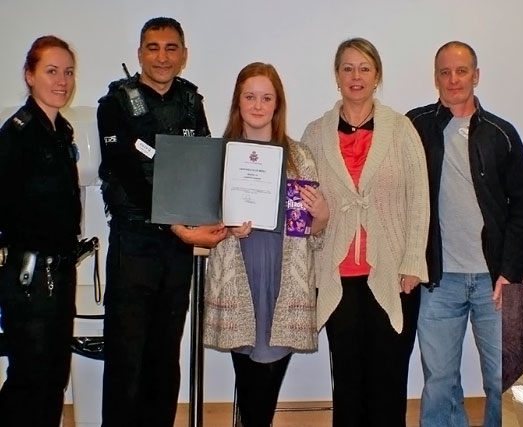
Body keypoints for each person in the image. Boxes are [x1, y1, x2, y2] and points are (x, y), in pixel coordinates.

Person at [177, 62, 328, 427]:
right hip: (239, 283)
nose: (258, 106)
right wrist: (225, 229)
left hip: (282, 284)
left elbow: (312, 233)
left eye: (266, 98)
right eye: (250, 97)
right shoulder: (218, 157)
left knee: (265, 388)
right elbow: (198, 221)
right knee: (250, 387)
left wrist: (321, 215)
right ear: (237, 102)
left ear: (277, 104)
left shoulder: (300, 156)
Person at [96, 17, 220, 427]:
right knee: (127, 360)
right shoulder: (115, 104)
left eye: (171, 48)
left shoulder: (190, 101)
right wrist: (177, 225)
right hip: (134, 244)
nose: (162, 56)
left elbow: (203, 166)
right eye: (153, 47)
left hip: (176, 249)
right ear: (139, 53)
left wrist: (212, 217)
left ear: (183, 55)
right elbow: (126, 173)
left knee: (166, 358)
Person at [301, 37, 429, 427]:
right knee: (348, 382)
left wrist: (412, 263)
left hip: (393, 275)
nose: (356, 76)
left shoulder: (401, 129)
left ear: (377, 77)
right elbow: (303, 207)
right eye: (347, 68)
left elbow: (419, 199)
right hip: (338, 277)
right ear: (336, 76)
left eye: (364, 68)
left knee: (389, 379)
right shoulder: (315, 134)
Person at [406, 41, 523, 427]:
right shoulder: (416, 127)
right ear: (435, 78)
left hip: (492, 282)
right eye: (444, 72)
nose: (453, 79)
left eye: (461, 71)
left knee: (501, 381)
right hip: (437, 281)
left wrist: (510, 270)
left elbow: (522, 208)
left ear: (476, 76)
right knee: (439, 383)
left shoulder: (502, 134)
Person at [0, 35, 81, 427]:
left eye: (68, 72)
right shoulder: (17, 134)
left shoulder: (61, 131)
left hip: (60, 274)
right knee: (28, 383)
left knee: (53, 381)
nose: (62, 81)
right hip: (28, 278)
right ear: (30, 76)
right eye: (51, 71)